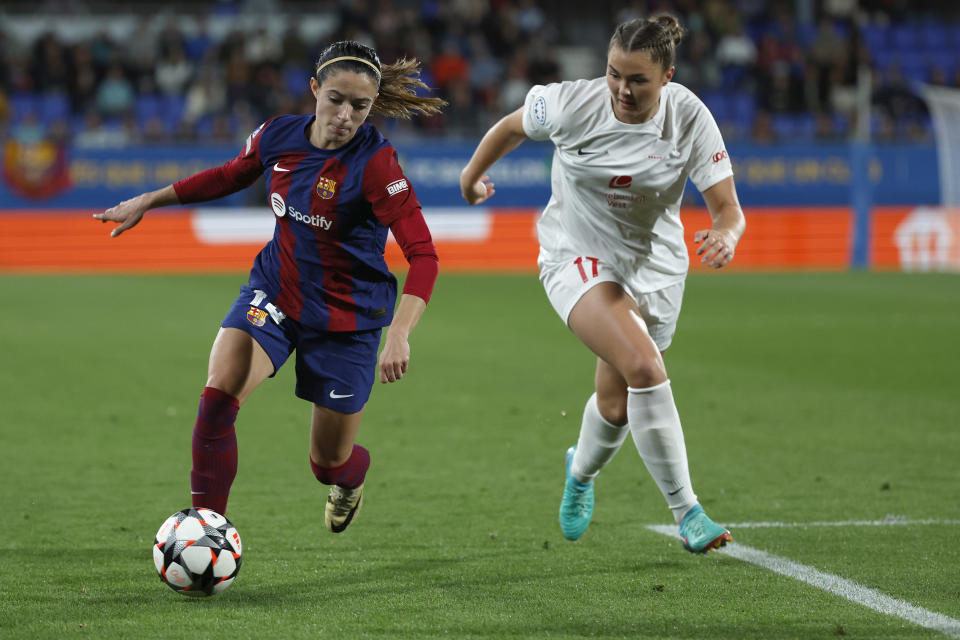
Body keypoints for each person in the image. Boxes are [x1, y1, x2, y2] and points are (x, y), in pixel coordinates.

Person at [94, 41, 445, 533]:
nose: (345, 115)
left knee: (327, 463)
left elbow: (423, 254)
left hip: (348, 320)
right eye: (336, 99)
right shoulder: (280, 134)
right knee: (219, 395)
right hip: (276, 294)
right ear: (315, 89)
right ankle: (207, 531)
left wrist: (401, 332)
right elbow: (229, 176)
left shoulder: (377, 164)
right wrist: (151, 200)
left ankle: (349, 479)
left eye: (360, 106)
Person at [460, 15, 745, 553]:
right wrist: (470, 177)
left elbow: (728, 208)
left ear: (667, 77)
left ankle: (580, 473)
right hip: (576, 256)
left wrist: (728, 235)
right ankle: (689, 512)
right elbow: (511, 127)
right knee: (644, 365)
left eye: (638, 79)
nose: (621, 89)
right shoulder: (571, 103)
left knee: (616, 405)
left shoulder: (689, 118)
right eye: (614, 73)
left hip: (655, 268)